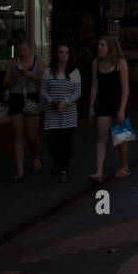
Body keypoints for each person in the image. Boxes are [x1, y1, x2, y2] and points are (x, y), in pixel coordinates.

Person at [89, 36, 131, 181]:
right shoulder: (95, 63)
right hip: (102, 102)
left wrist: (122, 109)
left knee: (120, 136)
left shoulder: (120, 63)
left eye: (102, 45)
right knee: (101, 136)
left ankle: (124, 163)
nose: (99, 48)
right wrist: (91, 107)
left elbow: (125, 88)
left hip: (117, 101)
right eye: (98, 45)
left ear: (110, 48)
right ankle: (99, 171)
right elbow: (94, 87)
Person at [40, 42, 82, 183]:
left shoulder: (74, 73)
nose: (63, 55)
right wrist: (50, 100)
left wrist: (67, 101)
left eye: (66, 52)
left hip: (68, 114)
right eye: (61, 52)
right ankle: (56, 160)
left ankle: (64, 169)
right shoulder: (48, 72)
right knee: (52, 142)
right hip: (52, 113)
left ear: (70, 55)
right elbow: (43, 90)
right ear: (56, 54)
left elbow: (77, 92)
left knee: (66, 142)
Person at [4, 34, 44, 180]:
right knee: (18, 135)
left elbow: (44, 80)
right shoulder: (12, 62)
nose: (22, 53)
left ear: (30, 49)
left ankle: (36, 157)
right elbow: (5, 83)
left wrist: (31, 75)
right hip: (16, 97)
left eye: (24, 50)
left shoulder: (38, 60)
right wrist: (14, 77)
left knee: (32, 136)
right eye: (19, 50)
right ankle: (19, 169)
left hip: (32, 96)